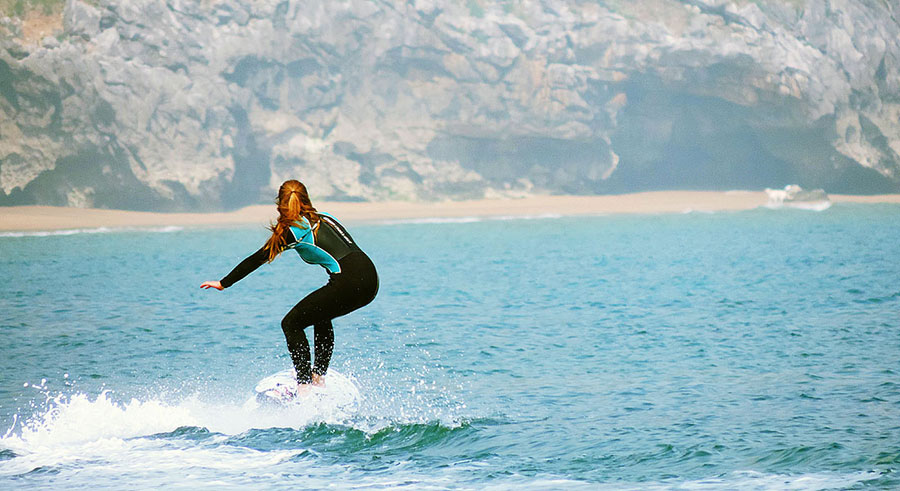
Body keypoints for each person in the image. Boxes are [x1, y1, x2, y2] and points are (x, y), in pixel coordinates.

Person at [201, 180, 378, 391]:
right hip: (371, 279)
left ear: (280, 204)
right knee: (320, 312)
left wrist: (223, 283)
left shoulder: (292, 232)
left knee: (291, 324)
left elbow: (258, 258)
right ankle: (318, 377)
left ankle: (304, 387)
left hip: (348, 282)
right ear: (307, 198)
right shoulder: (327, 219)